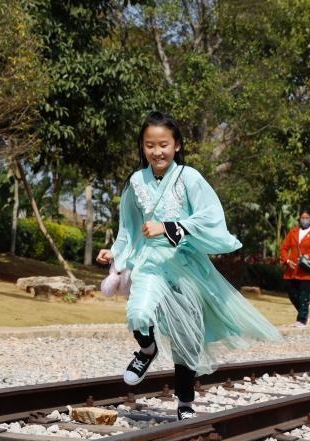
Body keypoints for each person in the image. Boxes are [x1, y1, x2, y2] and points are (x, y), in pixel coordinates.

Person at [97, 111, 280, 420]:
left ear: (177, 145)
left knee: (186, 339)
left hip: (185, 267)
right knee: (139, 313)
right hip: (150, 264)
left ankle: (185, 404)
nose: (157, 152)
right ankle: (146, 351)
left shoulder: (189, 177)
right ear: (142, 147)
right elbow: (128, 228)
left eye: (163, 144)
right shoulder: (135, 182)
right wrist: (115, 254)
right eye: (149, 145)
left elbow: (210, 216)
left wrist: (170, 226)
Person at [280, 209, 310, 327]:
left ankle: (301, 320)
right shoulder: (293, 232)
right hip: (291, 269)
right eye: (302, 218)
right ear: (299, 219)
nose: (304, 220)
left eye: (307, 218)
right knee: (291, 292)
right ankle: (305, 312)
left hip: (306, 271)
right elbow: (284, 248)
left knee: (304, 295)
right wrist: (287, 260)